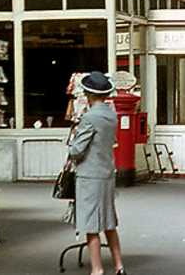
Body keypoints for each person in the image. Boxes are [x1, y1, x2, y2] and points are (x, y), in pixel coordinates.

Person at [69, 71, 127, 275]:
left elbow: (77, 150)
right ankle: (119, 266)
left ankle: (97, 269)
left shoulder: (89, 117)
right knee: (109, 222)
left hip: (90, 175)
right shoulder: (111, 114)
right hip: (106, 172)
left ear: (89, 94)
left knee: (91, 224)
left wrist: (71, 147)